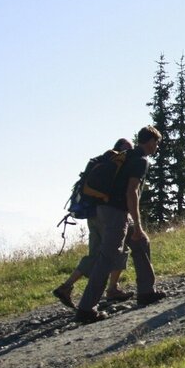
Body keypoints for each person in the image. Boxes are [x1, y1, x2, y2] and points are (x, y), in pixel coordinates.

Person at [75, 126, 167, 324]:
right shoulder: (140, 160)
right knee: (108, 257)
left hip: (104, 209)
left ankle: (146, 291)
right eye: (156, 143)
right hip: (116, 212)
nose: (156, 147)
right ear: (150, 141)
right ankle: (86, 308)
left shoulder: (125, 156)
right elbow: (132, 192)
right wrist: (138, 223)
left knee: (141, 242)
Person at [52, 138, 135, 309]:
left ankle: (66, 286)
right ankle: (112, 289)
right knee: (118, 248)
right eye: (128, 148)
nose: (130, 152)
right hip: (109, 212)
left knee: (96, 253)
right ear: (121, 148)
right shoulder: (117, 164)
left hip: (93, 212)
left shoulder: (102, 162)